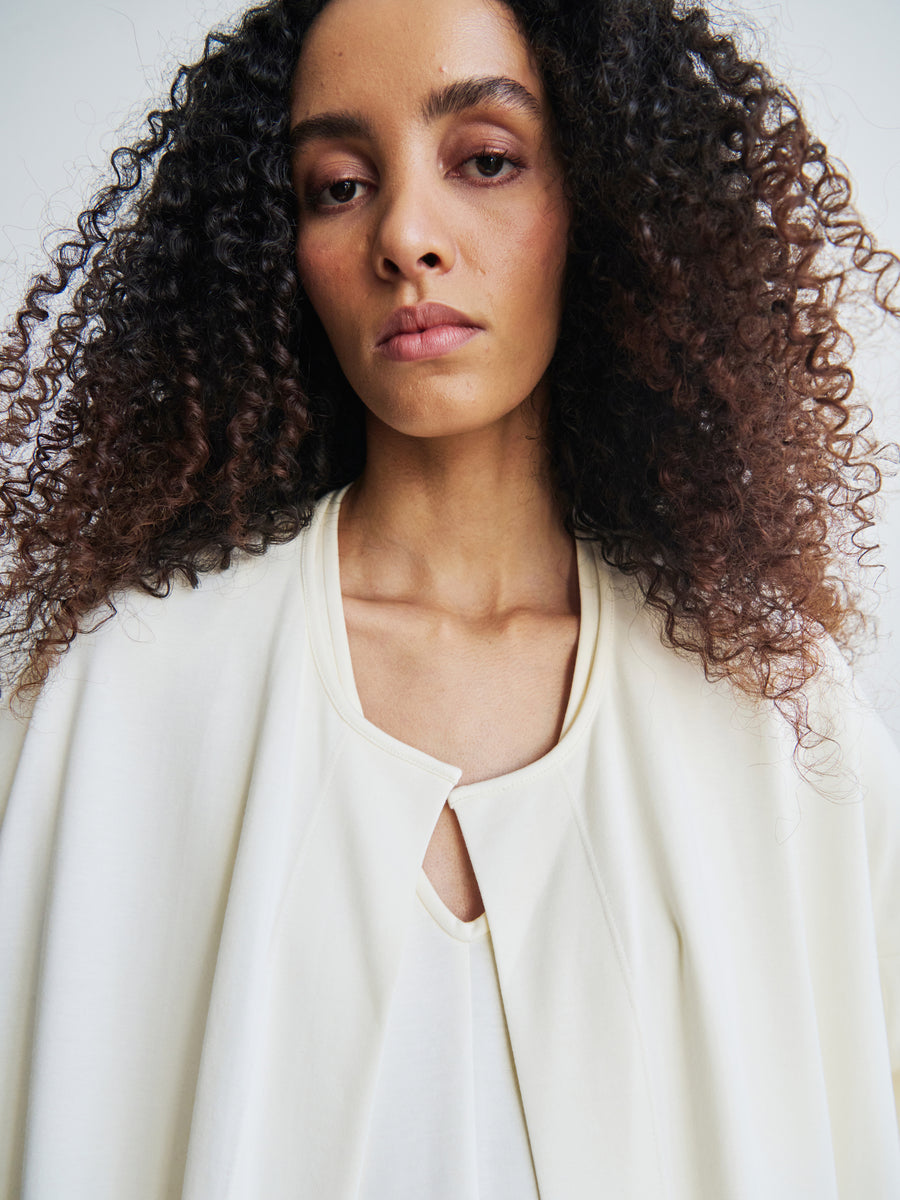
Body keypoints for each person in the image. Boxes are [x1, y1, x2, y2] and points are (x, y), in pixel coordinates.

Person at [1, 0, 899, 1195]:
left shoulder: (777, 722)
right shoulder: (126, 699)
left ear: (607, 203)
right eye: (337, 185)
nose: (406, 236)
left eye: (485, 160)